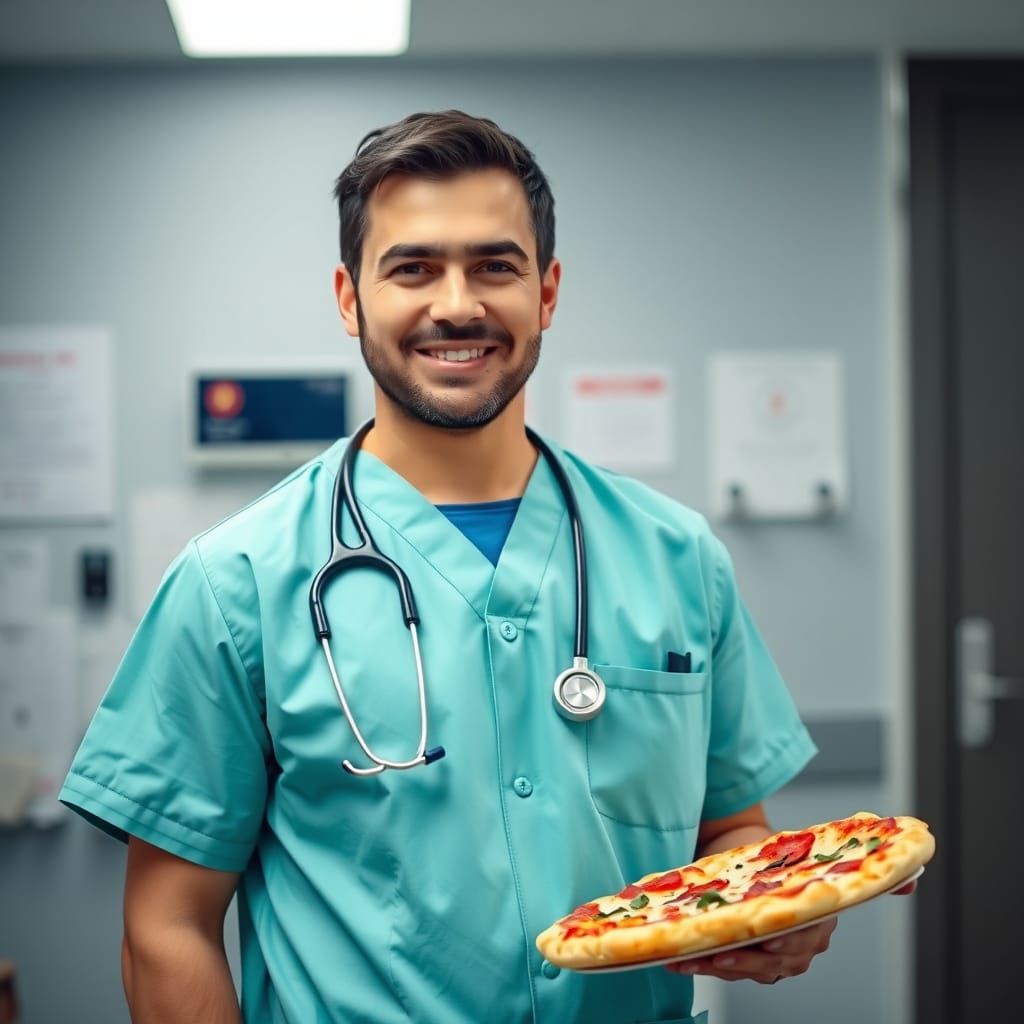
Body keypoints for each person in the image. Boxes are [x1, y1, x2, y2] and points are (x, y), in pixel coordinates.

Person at [61, 110, 840, 1023]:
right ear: (350, 298)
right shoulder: (235, 583)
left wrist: (777, 905)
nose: (458, 304)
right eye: (414, 268)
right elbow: (168, 929)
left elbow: (732, 828)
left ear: (547, 292)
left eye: (496, 266)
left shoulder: (678, 559)